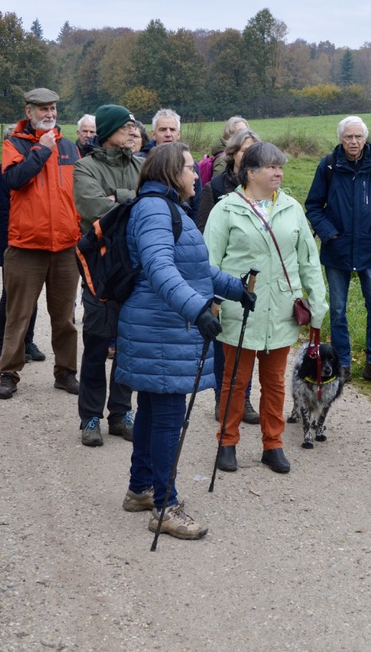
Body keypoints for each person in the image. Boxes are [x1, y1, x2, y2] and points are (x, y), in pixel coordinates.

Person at [116, 142, 252, 539]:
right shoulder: (156, 209)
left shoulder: (168, 208)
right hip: (162, 329)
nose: (197, 175)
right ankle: (165, 505)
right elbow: (159, 270)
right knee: (168, 416)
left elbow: (194, 268)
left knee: (153, 410)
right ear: (172, 173)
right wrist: (196, 309)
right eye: (191, 169)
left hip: (163, 327)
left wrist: (235, 288)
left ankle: (140, 489)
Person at [205, 142, 328, 474]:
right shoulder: (226, 210)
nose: (279, 172)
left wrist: (317, 304)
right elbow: (210, 263)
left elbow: (309, 261)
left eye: (281, 166)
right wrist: (210, 304)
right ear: (251, 172)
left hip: (281, 310)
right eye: (272, 167)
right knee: (235, 381)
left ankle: (272, 445)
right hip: (239, 310)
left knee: (274, 382)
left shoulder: (291, 208)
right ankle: (227, 443)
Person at [0, 88, 81, 400]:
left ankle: (66, 373)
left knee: (65, 318)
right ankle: (9, 374)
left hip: (65, 248)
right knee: (18, 315)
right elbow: (14, 179)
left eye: (53, 108)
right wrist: (41, 151)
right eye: (42, 109)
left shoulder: (70, 147)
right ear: (29, 112)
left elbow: (79, 194)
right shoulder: (13, 144)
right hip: (26, 246)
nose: (49, 114)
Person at [305, 116, 371, 386]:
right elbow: (313, 205)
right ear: (341, 139)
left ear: (365, 138)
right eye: (348, 137)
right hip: (337, 250)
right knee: (338, 310)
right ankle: (342, 364)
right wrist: (330, 234)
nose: (354, 142)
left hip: (369, 248)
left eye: (358, 137)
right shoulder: (329, 165)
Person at [73, 104, 143, 447]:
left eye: (135, 127)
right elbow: (95, 209)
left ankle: (120, 414)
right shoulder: (85, 167)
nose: (133, 131)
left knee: (128, 344)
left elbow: (155, 202)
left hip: (135, 266)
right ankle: (89, 417)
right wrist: (132, 202)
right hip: (99, 267)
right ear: (110, 130)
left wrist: (122, 198)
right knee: (98, 343)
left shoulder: (143, 164)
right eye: (126, 126)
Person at [195, 127, 262, 423]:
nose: (249, 157)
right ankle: (223, 397)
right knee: (225, 342)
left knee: (247, 339)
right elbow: (203, 231)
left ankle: (244, 399)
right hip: (223, 276)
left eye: (254, 152)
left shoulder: (263, 190)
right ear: (232, 154)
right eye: (245, 151)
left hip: (253, 277)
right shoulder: (216, 186)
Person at [0, 164, 45, 363]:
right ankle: (3, 346)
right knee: (10, 294)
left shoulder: (34, 169)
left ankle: (27, 341)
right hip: (13, 243)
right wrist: (16, 242)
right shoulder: (2, 172)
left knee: (33, 294)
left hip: (35, 241)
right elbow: (3, 214)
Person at [144, 108, 202, 221]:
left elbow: (197, 204)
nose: (168, 134)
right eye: (162, 129)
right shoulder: (142, 162)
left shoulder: (191, 164)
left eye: (172, 129)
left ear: (179, 134)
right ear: (153, 134)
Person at [201, 115, 248, 184]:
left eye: (246, 131)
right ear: (230, 134)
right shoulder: (223, 159)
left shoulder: (235, 152)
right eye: (240, 131)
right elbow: (217, 187)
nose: (245, 134)